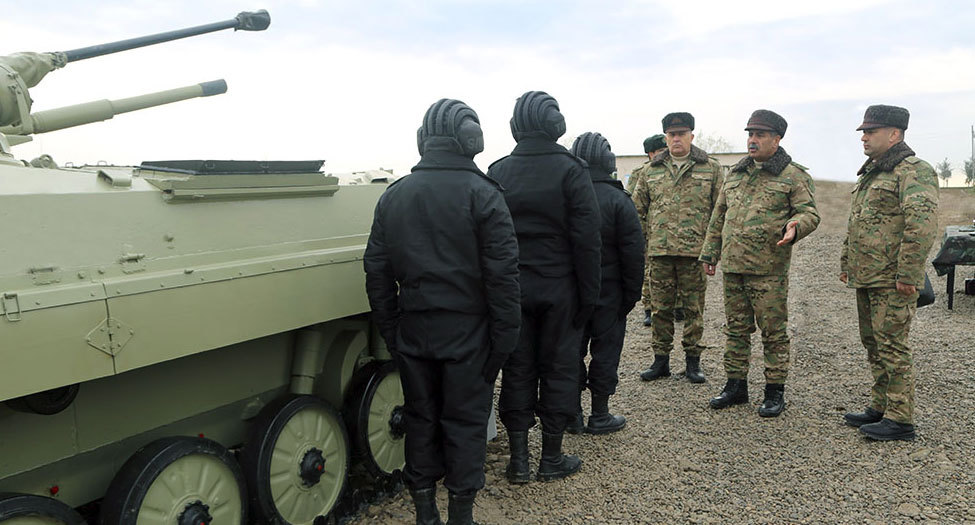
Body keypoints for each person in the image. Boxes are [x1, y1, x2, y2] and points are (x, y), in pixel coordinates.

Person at [364, 99, 521, 525]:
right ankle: (461, 516)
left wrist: (392, 330)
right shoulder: (484, 195)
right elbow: (504, 278)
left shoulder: (394, 196)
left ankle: (424, 512)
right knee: (465, 422)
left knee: (421, 418)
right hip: (470, 334)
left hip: (414, 330)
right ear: (468, 140)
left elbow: (377, 272)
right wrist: (504, 340)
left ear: (424, 140)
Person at [489, 91, 601, 483]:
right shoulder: (572, 170)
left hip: (513, 288)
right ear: (554, 125)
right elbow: (588, 240)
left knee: (517, 368)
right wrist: (588, 297)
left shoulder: (498, 170)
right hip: (560, 289)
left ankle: (519, 461)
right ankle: (550, 458)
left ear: (517, 126)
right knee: (559, 368)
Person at [699, 109, 820, 417]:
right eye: (750, 134)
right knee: (736, 330)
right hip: (734, 267)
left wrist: (795, 226)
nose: (752, 140)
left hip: (768, 269)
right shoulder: (736, 174)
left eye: (760, 135)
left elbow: (809, 213)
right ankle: (735, 386)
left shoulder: (793, 175)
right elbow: (719, 215)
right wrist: (710, 253)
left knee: (773, 332)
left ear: (776, 140)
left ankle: (774, 391)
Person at [840, 105, 938, 441]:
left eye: (871, 132)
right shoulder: (872, 173)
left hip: (893, 279)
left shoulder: (914, 171)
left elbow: (921, 226)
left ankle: (900, 418)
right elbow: (858, 222)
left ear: (894, 134)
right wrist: (847, 262)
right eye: (864, 132)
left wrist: (909, 274)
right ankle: (881, 406)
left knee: (893, 345)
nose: (864, 138)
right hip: (868, 275)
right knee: (873, 343)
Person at [633, 112, 723, 384]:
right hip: (659, 253)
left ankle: (693, 362)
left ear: (691, 136)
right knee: (660, 310)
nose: (676, 139)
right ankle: (660, 361)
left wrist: (712, 250)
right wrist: (640, 248)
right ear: (666, 138)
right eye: (672, 135)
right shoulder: (651, 170)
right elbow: (638, 211)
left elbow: (720, 211)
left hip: (694, 253)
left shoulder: (710, 168)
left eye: (681, 134)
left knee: (694, 310)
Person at [566, 132, 645, 435]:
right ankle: (599, 414)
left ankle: (571, 414)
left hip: (572, 293)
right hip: (610, 294)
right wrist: (631, 296)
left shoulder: (567, 197)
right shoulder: (619, 200)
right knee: (606, 354)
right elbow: (633, 255)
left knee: (570, 352)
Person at [628, 134, 668, 327]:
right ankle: (649, 308)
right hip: (648, 230)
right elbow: (633, 204)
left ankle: (676, 306)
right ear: (650, 153)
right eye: (660, 151)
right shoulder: (640, 173)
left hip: (667, 230)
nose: (664, 154)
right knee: (649, 272)